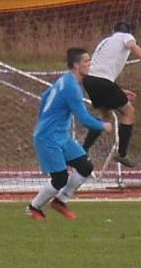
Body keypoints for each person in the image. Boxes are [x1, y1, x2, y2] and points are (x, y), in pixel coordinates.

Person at [26, 47, 113, 221]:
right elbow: (83, 119)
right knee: (60, 179)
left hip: (60, 135)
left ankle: (60, 201)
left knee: (85, 167)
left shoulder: (66, 81)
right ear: (76, 65)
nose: (90, 64)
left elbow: (45, 96)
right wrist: (103, 125)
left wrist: (43, 120)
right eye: (86, 61)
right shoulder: (71, 87)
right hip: (48, 137)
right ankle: (33, 207)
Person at [80, 20, 141, 168]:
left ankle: (83, 150)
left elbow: (100, 70)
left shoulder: (105, 41)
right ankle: (122, 154)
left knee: (106, 117)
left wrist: (119, 90)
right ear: (129, 33)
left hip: (89, 81)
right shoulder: (126, 37)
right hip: (102, 82)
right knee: (129, 112)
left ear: (113, 30)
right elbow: (132, 46)